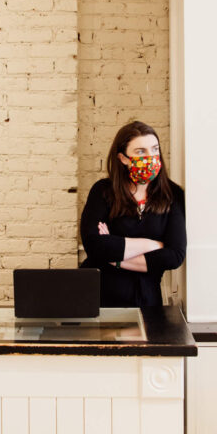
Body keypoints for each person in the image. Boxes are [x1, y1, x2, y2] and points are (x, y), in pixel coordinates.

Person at [80, 120, 186, 307]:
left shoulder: (173, 194)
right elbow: (94, 246)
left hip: (147, 300)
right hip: (98, 298)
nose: (151, 156)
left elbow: (174, 255)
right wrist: (153, 244)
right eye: (140, 152)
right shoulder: (103, 191)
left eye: (154, 149)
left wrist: (115, 259)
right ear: (123, 158)